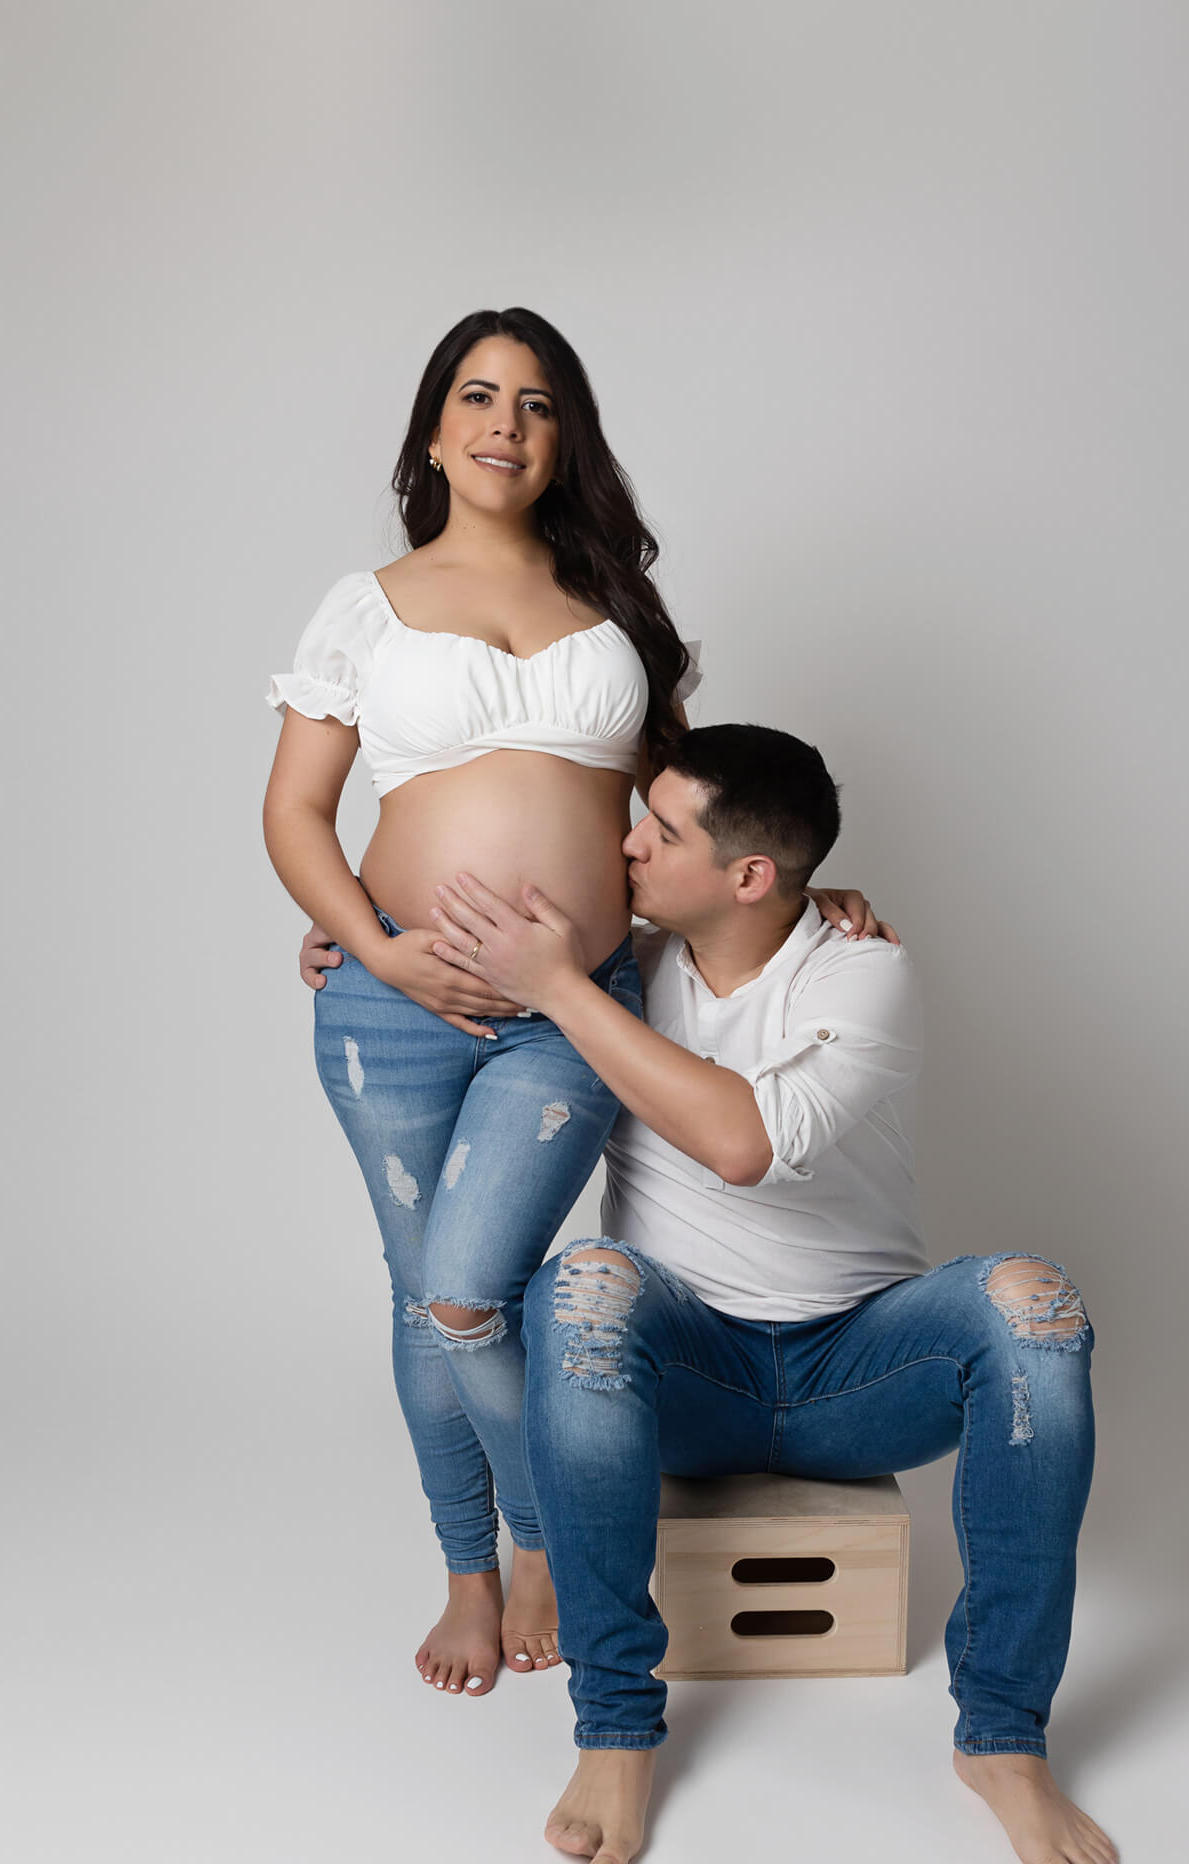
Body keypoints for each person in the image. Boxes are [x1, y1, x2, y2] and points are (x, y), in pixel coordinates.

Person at [266, 308, 876, 1698]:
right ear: (433, 429)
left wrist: (809, 894)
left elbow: (685, 819)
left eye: (537, 404)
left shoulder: (614, 613)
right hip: (388, 1004)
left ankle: (540, 1541)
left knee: (471, 1287)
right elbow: (296, 810)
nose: (504, 424)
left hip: (572, 1006)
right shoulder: (363, 605)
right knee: (422, 1293)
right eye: (476, 397)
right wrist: (367, 939)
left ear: (566, 438)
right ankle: (468, 1575)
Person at [424, 723, 1120, 1864]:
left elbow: (747, 1142)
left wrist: (560, 989)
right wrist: (354, 944)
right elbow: (439, 961)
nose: (627, 841)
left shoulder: (864, 968)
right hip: (682, 1369)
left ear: (751, 875)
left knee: (1035, 1305)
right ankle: (616, 1729)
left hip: (862, 1374)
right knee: (582, 1283)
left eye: (663, 830)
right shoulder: (615, 959)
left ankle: (1001, 1736)